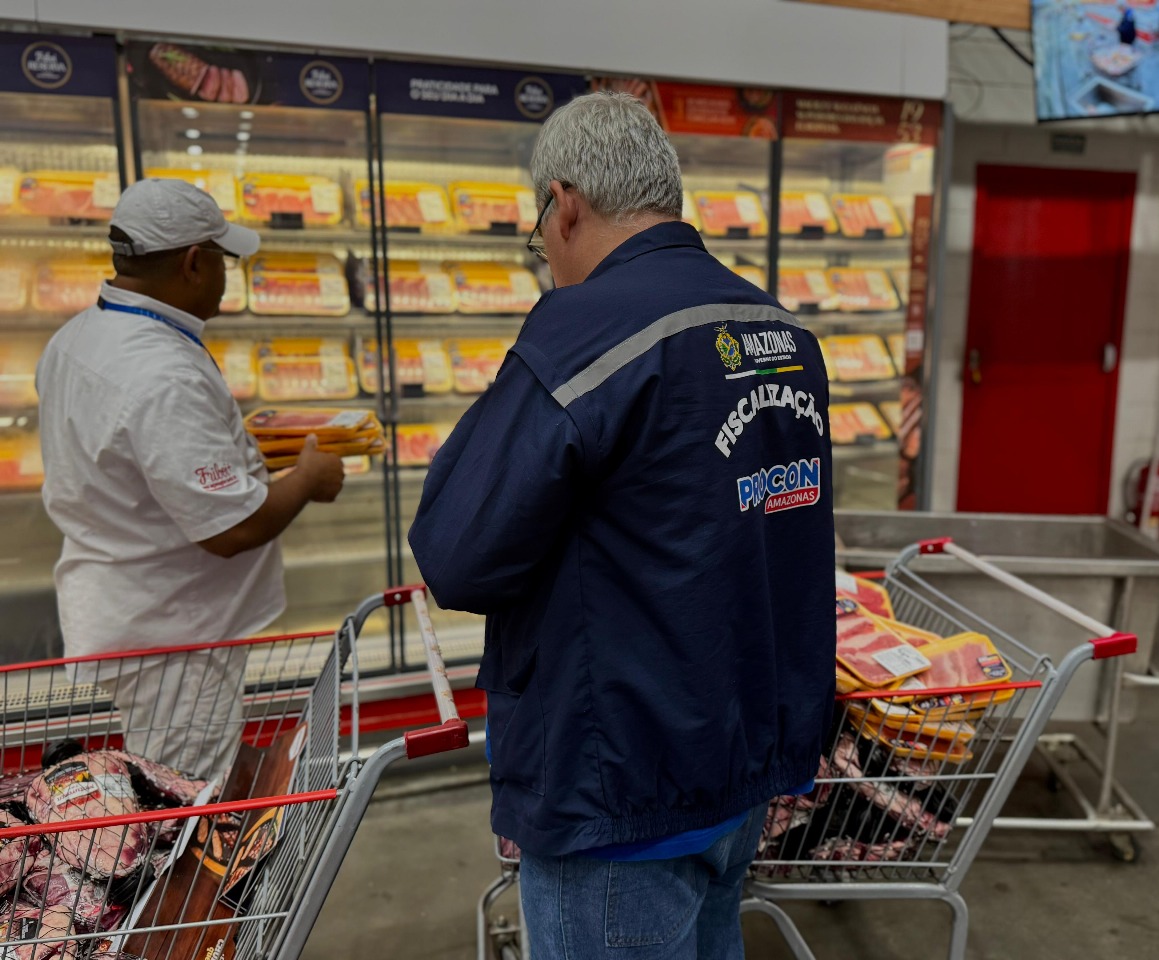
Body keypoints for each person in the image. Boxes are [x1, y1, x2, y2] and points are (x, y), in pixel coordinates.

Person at [408, 91, 834, 959]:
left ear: (563, 205)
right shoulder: (781, 330)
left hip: (621, 788)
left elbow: (457, 550)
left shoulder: (582, 334)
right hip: (737, 769)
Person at [36, 179, 345, 780]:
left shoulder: (75, 338)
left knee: (160, 780)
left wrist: (241, 455)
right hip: (176, 633)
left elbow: (135, 466)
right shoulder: (162, 374)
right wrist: (307, 476)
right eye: (224, 260)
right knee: (179, 805)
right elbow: (231, 528)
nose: (228, 276)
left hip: (129, 602)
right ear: (194, 263)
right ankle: (179, 878)